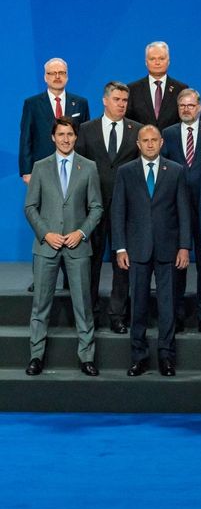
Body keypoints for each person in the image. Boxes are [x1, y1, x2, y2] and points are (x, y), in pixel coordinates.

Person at [23, 117, 102, 376]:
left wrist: (81, 232)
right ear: (52, 138)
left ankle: (87, 357)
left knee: (83, 304)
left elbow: (96, 208)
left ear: (76, 137)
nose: (66, 139)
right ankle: (36, 356)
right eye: (61, 134)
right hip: (47, 247)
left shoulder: (88, 167)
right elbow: (30, 207)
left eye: (70, 134)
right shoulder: (40, 167)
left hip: (77, 247)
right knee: (40, 305)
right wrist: (47, 234)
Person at [112, 125, 191, 377]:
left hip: (168, 249)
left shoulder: (176, 171)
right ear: (138, 144)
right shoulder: (126, 172)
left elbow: (184, 212)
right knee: (139, 305)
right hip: (136, 249)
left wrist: (184, 246)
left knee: (167, 306)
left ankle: (166, 357)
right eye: (144, 140)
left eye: (153, 140)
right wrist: (120, 247)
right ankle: (139, 356)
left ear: (161, 142)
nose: (149, 144)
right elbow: (118, 212)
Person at [75, 83, 141, 333]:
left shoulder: (136, 130)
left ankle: (117, 314)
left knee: (122, 264)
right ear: (105, 100)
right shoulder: (85, 130)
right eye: (117, 99)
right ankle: (88, 313)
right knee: (89, 263)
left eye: (125, 99)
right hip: (92, 209)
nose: (122, 104)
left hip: (125, 210)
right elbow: (78, 169)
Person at [162, 88, 201, 335]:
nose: (187, 109)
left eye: (191, 105)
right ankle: (176, 316)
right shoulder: (167, 134)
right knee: (176, 266)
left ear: (199, 108)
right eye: (182, 106)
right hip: (175, 213)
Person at [20, 58, 90, 184]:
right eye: (52, 73)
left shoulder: (81, 103)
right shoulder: (32, 104)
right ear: (45, 77)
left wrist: (87, 168)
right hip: (42, 167)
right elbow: (26, 138)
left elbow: (86, 137)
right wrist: (26, 171)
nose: (57, 76)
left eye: (61, 73)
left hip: (75, 167)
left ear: (67, 77)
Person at [125, 41, 188, 129]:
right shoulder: (132, 89)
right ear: (146, 62)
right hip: (141, 141)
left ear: (168, 61)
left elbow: (185, 121)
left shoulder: (181, 89)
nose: (157, 62)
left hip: (171, 141)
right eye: (152, 59)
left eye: (161, 58)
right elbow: (127, 121)